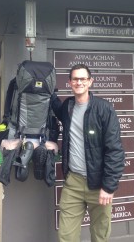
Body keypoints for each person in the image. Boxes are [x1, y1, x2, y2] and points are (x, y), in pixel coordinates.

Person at [52, 64, 125, 242]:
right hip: (73, 183)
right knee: (66, 236)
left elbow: (115, 150)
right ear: (69, 82)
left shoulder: (104, 109)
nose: (79, 82)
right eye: (75, 79)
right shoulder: (67, 107)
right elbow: (53, 105)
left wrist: (108, 187)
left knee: (100, 235)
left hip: (99, 184)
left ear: (90, 81)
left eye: (83, 79)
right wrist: (46, 89)